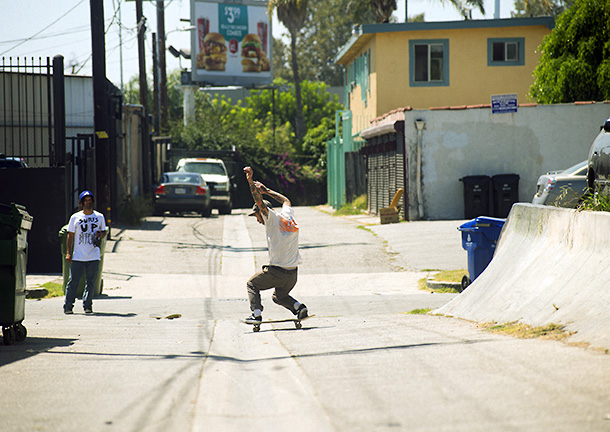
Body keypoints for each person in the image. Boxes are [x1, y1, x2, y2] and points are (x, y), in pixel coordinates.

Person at [243, 166, 308, 323]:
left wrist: (250, 181)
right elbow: (286, 200)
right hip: (292, 275)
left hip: (277, 272)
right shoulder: (288, 216)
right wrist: (267, 190)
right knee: (279, 297)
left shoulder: (271, 218)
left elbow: (259, 202)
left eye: (257, 216)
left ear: (262, 212)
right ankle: (299, 308)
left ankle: (256, 314)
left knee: (252, 284)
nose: (258, 220)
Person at [63, 190, 107, 314]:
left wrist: (100, 234)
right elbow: (70, 235)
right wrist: (68, 252)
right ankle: (68, 305)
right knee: (73, 281)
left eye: (90, 201)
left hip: (93, 254)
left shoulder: (99, 217)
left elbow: (104, 232)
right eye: (86, 201)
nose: (88, 203)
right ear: (81, 203)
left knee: (91, 282)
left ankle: (88, 305)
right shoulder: (75, 217)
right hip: (78, 255)